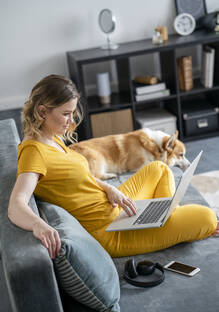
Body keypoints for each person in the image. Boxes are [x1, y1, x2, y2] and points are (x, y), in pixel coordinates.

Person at [8, 74, 219, 259]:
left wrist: (109, 188)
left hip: (116, 207)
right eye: (66, 114)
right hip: (109, 231)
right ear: (43, 112)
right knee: (207, 217)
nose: (71, 121)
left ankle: (163, 216)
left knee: (159, 168)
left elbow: (80, 177)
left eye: (72, 113)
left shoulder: (52, 137)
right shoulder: (33, 152)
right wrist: (39, 226)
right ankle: (168, 220)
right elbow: (16, 204)